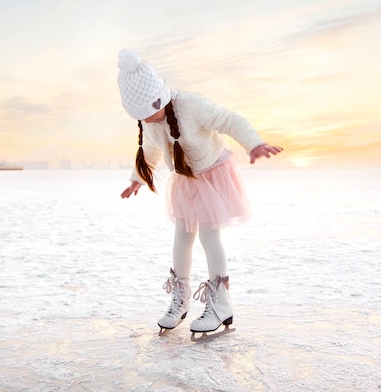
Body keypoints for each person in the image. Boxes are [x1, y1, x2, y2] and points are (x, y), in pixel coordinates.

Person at [117, 49, 282, 333]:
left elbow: (229, 120)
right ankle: (181, 299)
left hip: (212, 174)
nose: (150, 120)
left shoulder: (191, 105)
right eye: (142, 116)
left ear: (160, 97)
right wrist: (138, 178)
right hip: (186, 179)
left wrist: (253, 143)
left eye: (151, 113)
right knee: (183, 233)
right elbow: (150, 149)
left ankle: (220, 302)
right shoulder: (150, 120)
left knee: (208, 233)